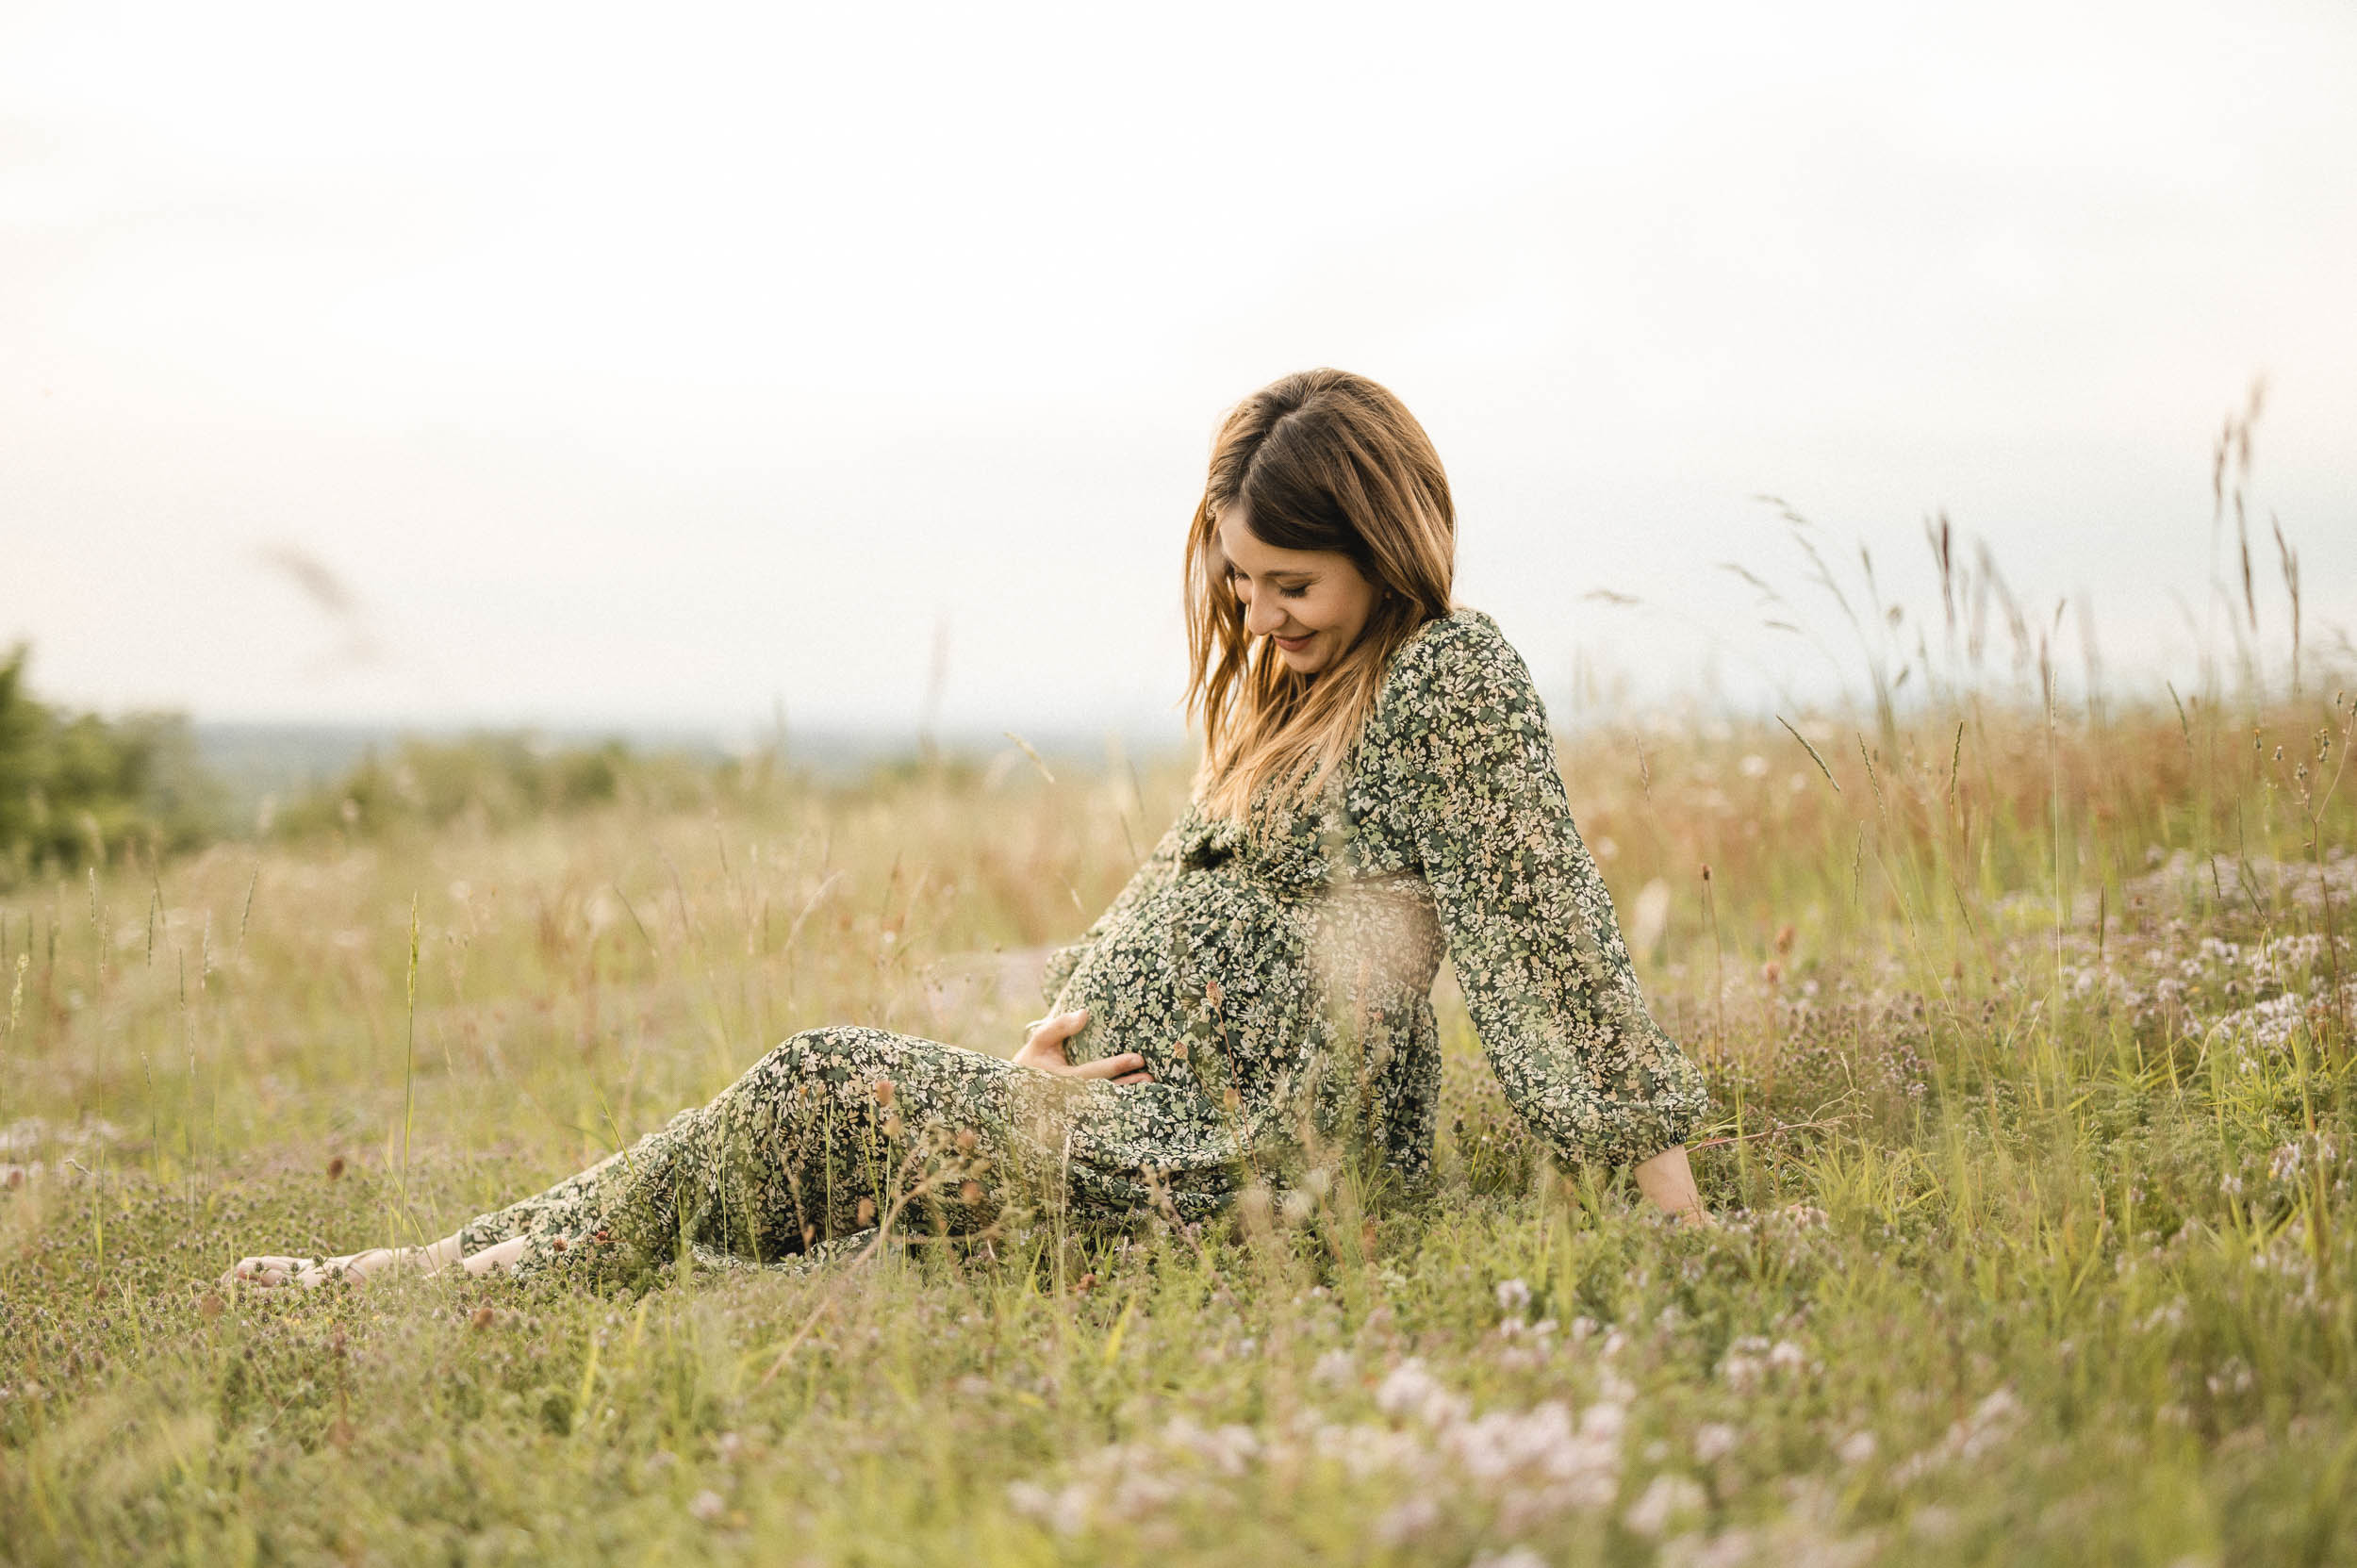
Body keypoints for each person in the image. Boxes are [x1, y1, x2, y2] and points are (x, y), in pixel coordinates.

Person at [222, 369, 1709, 1292]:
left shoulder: (1449, 679)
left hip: (1252, 1157)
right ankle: (463, 1260)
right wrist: (1032, 1071)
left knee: (815, 1078)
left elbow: (1553, 940)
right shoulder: (1289, 702)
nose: (1262, 618)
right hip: (1129, 1118)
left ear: (1387, 548)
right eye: (1243, 584)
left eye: (1293, 587)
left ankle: (462, 1282)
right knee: (772, 1111)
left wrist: (1677, 1218)